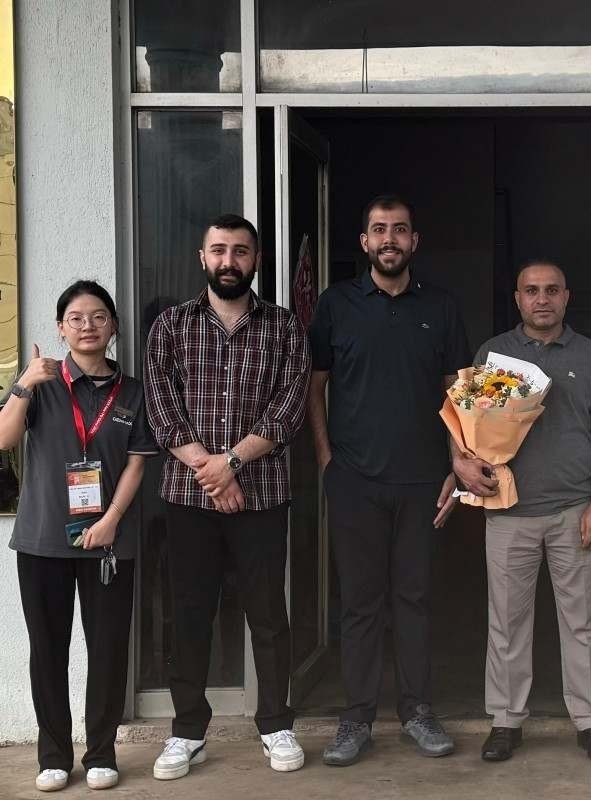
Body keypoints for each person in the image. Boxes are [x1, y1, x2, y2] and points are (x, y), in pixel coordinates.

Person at [143, 214, 311, 780]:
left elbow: (288, 410)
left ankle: (276, 723)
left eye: (241, 251)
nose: (229, 261)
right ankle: (187, 731)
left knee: (268, 615)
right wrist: (211, 473)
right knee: (190, 615)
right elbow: (163, 408)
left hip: (262, 497)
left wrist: (232, 463)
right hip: (188, 501)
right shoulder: (169, 326)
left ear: (256, 260)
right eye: (219, 251)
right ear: (202, 257)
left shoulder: (285, 327)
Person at [309, 195, 469, 766]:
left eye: (400, 230)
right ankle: (356, 719)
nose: (390, 240)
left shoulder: (441, 307)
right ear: (364, 242)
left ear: (414, 242)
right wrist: (327, 459)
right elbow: (315, 385)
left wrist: (458, 464)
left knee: (416, 598)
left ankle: (418, 712)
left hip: (425, 480)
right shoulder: (337, 304)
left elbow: (459, 392)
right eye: (379, 230)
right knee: (360, 604)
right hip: (354, 480)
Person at [0, 281, 157, 792]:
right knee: (48, 648)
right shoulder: (41, 384)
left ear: (113, 326)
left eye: (97, 316)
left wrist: (111, 518)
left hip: (109, 541)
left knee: (108, 648)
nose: (87, 325)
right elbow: (3, 438)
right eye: (75, 317)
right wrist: (24, 382)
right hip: (43, 539)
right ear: (60, 327)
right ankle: (53, 755)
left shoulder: (132, 390)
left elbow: (136, 465)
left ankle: (102, 753)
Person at [471, 260, 591, 763]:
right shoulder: (495, 355)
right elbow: (471, 432)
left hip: (575, 509)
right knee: (508, 622)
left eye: (551, 290)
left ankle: (590, 719)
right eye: (531, 290)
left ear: (566, 296)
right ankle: (506, 720)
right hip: (509, 511)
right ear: (517, 298)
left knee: (582, 622)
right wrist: (465, 468)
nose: (542, 299)